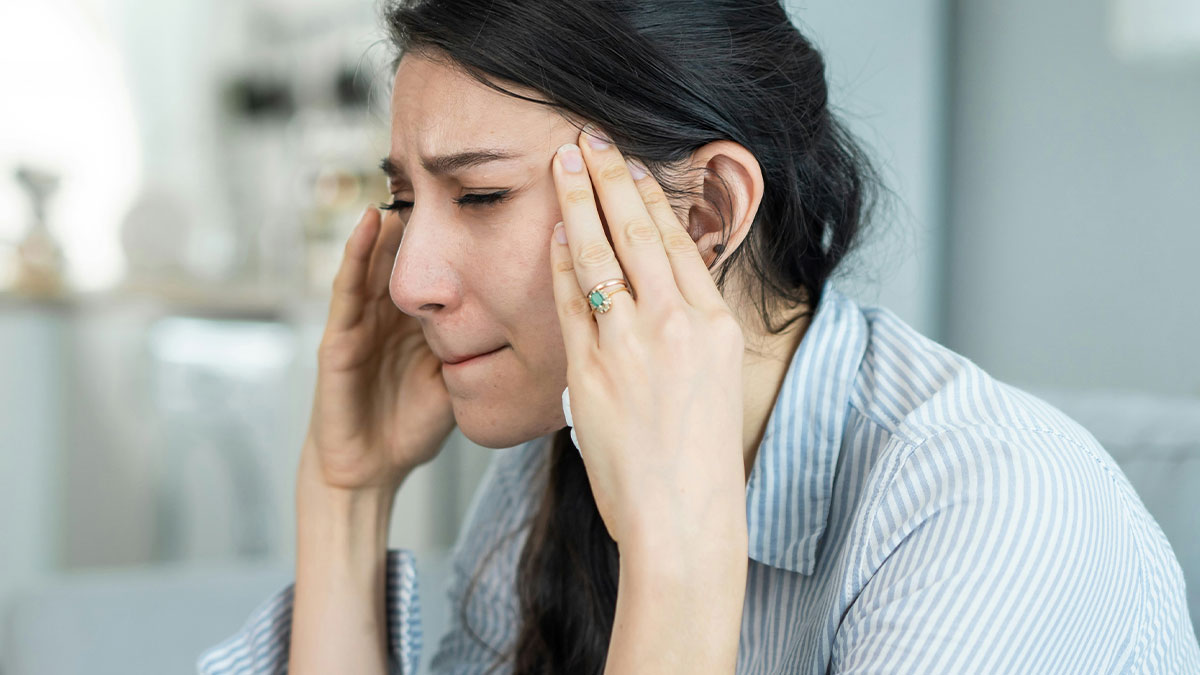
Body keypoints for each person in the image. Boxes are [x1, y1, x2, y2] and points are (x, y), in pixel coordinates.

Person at [197, 0, 1200, 673]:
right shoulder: (562, 464)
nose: (409, 279)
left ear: (706, 212)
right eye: (406, 197)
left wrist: (677, 562)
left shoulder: (992, 518)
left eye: (482, 193)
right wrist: (345, 496)